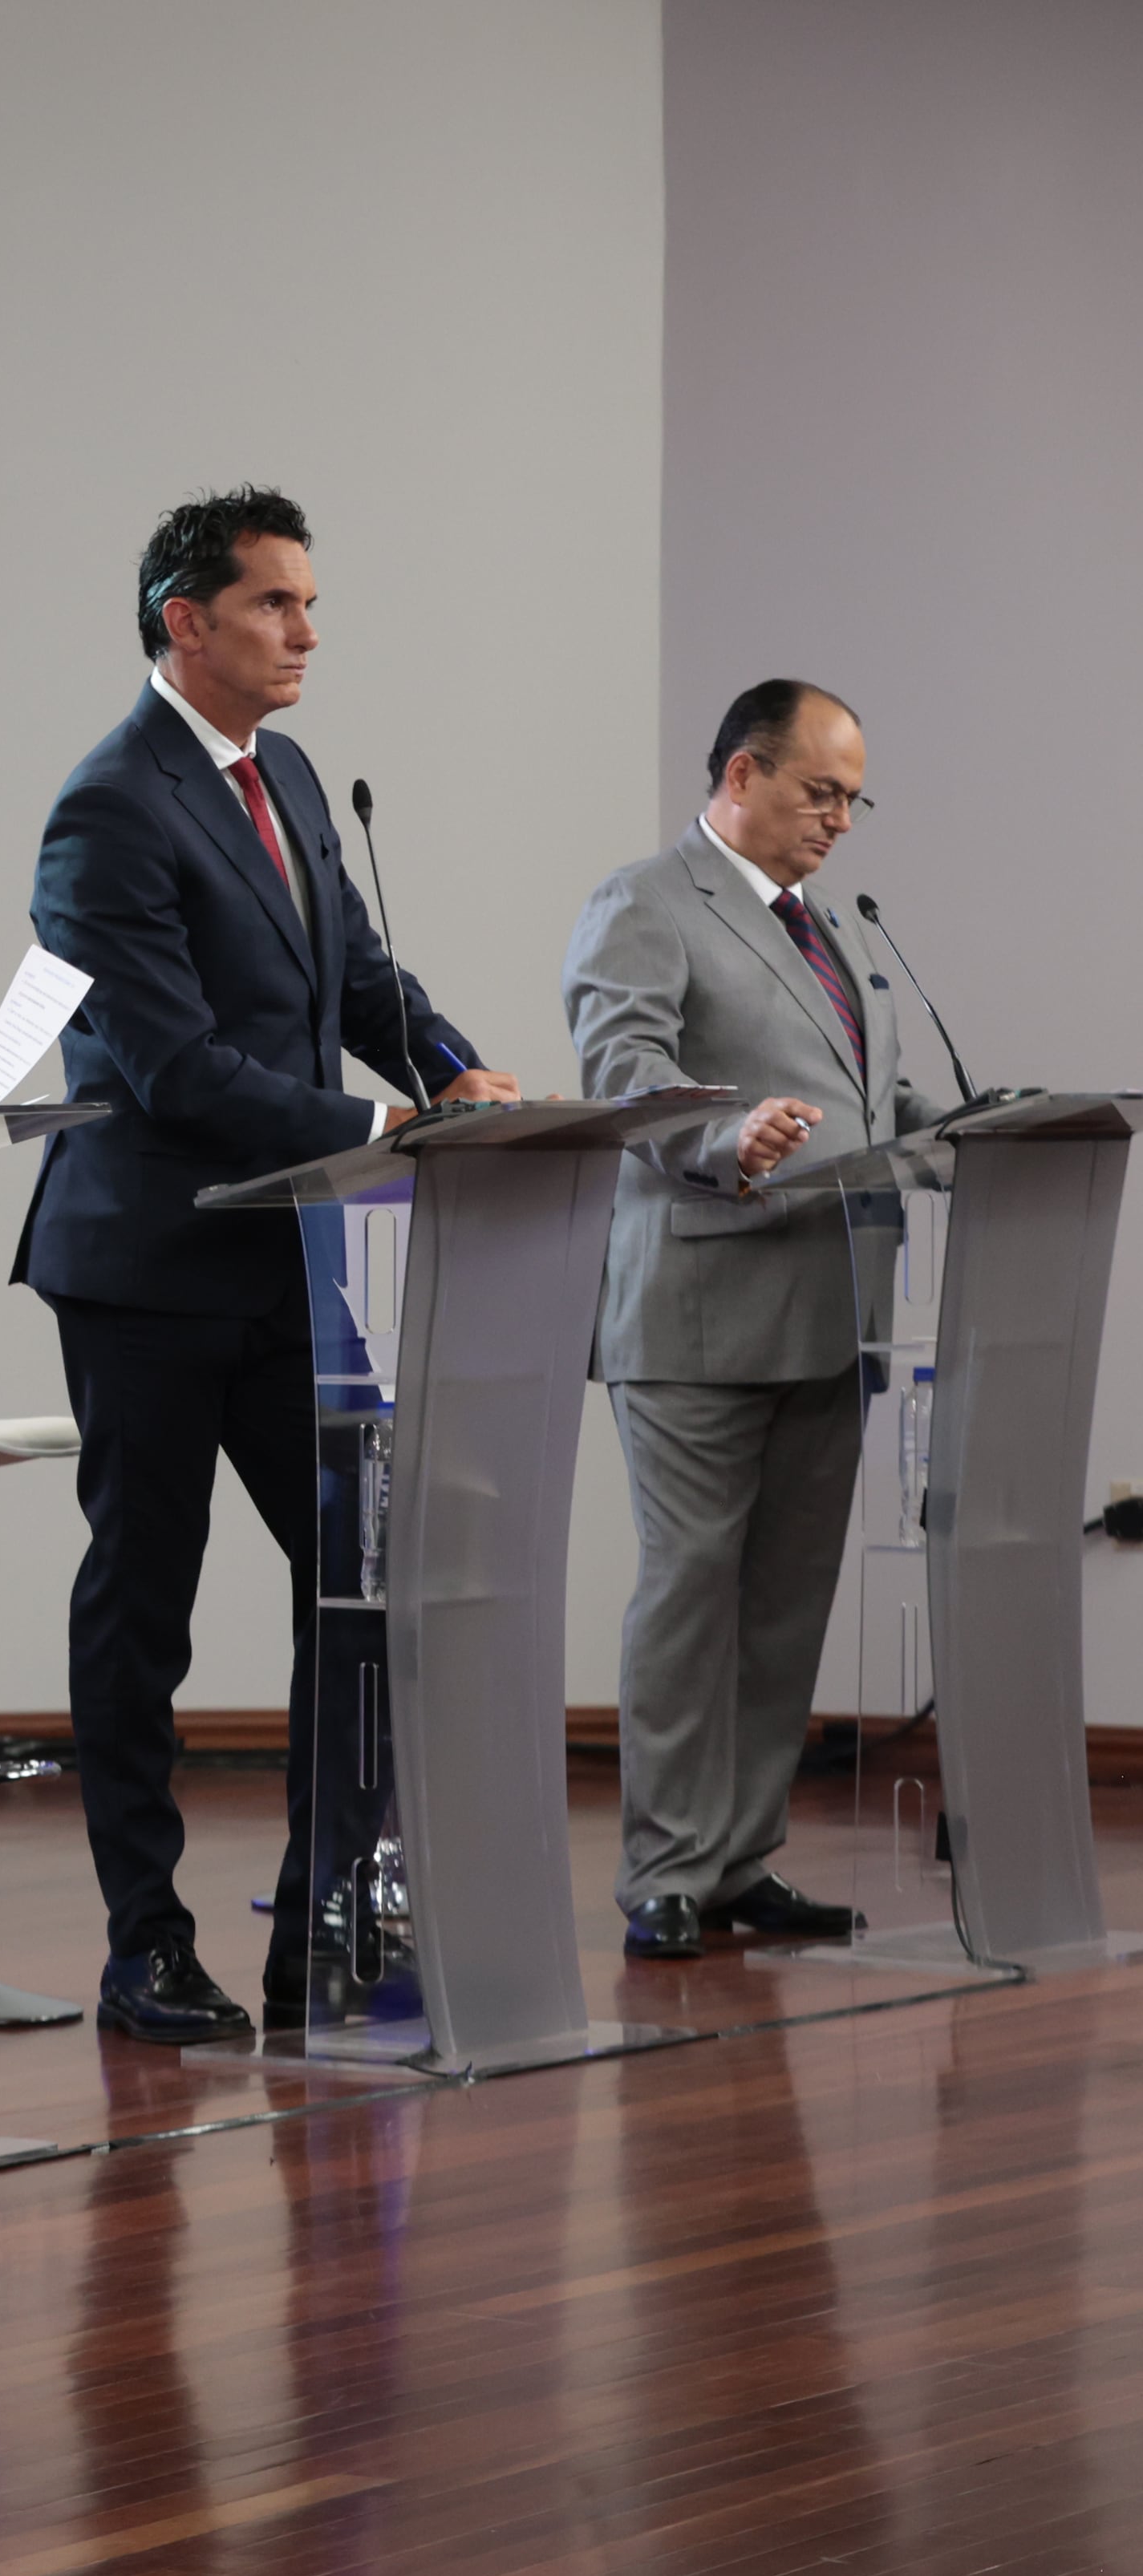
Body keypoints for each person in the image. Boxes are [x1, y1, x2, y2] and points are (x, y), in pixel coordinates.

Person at [13, 488, 521, 2045]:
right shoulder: (109, 808)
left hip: (289, 1252)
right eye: (276, 604)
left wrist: (451, 1067)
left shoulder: (285, 774)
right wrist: (386, 1120)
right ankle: (142, 1943)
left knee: (355, 1590)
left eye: (309, 604)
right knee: (142, 1609)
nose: (308, 631)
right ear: (186, 619)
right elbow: (170, 1065)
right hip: (153, 1263)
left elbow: (360, 975)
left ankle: (321, 1930)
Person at [563, 680, 933, 1958]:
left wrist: (974, 1127)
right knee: (691, 1595)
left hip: (831, 1313)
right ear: (739, 775)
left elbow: (866, 1096)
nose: (840, 818)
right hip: (701, 1315)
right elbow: (625, 1069)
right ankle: (665, 1871)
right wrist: (726, 1136)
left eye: (851, 797)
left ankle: (737, 1863)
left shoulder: (831, 929)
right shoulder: (648, 902)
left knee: (785, 1604)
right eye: (818, 790)